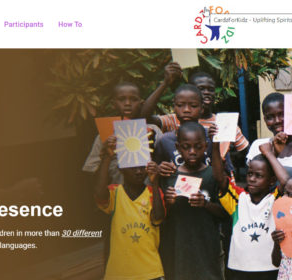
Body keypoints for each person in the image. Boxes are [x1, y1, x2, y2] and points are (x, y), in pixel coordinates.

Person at [159, 122, 227, 280]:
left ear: (205, 146)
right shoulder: (169, 175)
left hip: (208, 249)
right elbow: (158, 217)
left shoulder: (213, 175)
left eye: (198, 146)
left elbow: (225, 214)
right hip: (178, 250)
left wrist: (206, 204)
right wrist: (167, 203)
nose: (192, 152)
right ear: (178, 147)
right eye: (186, 147)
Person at [94, 136, 165, 280]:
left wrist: (155, 181)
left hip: (151, 271)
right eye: (133, 168)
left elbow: (158, 217)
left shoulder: (153, 193)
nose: (138, 172)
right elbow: (99, 194)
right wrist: (107, 157)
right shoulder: (115, 193)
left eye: (141, 167)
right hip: (119, 272)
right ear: (121, 169)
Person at [217, 141, 287, 280]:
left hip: (269, 269)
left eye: (258, 176)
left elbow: (286, 182)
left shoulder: (275, 200)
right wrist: (215, 146)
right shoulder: (239, 199)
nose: (252, 179)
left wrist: (269, 154)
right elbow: (220, 179)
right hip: (238, 269)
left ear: (272, 180)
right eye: (250, 174)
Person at [142, 71, 249, 156]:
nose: (206, 92)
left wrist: (228, 153)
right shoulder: (177, 118)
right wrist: (165, 83)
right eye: (201, 88)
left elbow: (246, 153)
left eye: (210, 89)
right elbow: (144, 117)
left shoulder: (225, 123)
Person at [82, 81, 163, 183]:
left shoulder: (153, 131)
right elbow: (91, 171)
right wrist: (106, 154)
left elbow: (167, 163)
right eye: (122, 99)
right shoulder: (105, 134)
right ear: (113, 104)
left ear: (141, 104)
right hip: (116, 194)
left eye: (133, 99)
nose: (128, 103)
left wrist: (152, 152)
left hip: (149, 194)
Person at [152, 84, 231, 174]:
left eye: (193, 106)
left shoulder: (213, 136)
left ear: (202, 108)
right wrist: (159, 170)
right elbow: (154, 173)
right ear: (174, 107)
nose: (186, 110)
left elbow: (226, 175)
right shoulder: (165, 141)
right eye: (180, 105)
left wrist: (222, 164)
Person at [246, 92, 292, 175]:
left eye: (282, 114)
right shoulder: (258, 146)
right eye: (270, 117)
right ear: (264, 120)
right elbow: (257, 179)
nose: (277, 121)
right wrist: (273, 154)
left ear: (291, 114)